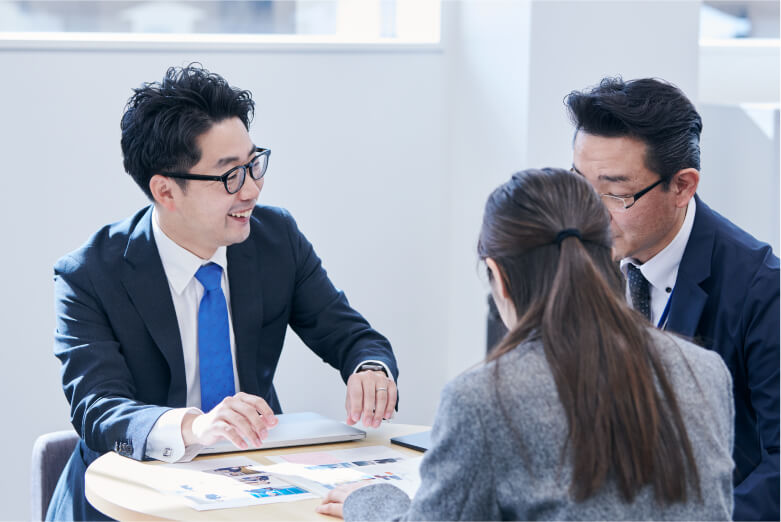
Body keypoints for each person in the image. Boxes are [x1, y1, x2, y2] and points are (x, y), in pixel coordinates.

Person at [47, 64, 399, 521]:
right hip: (129, 501)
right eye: (230, 175)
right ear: (166, 191)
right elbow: (98, 408)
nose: (252, 189)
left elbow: (351, 336)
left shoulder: (276, 238)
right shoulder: (90, 274)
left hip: (255, 488)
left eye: (254, 164)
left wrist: (369, 368)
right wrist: (197, 425)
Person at [318, 168, 734, 520]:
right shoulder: (706, 370)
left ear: (497, 276)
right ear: (607, 255)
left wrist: (372, 501)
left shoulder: (484, 396)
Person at [564, 77, 779, 521]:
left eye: (616, 193)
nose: (588, 211)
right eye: (580, 184)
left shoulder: (762, 291)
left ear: (682, 186)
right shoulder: (575, 253)